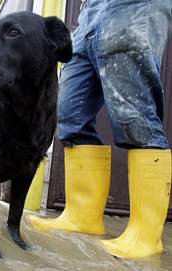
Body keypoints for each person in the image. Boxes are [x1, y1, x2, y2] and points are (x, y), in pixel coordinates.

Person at [29, 0, 172, 259]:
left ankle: (145, 236)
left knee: (135, 115)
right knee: (70, 115)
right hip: (89, 12)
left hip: (133, 6)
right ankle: (81, 216)